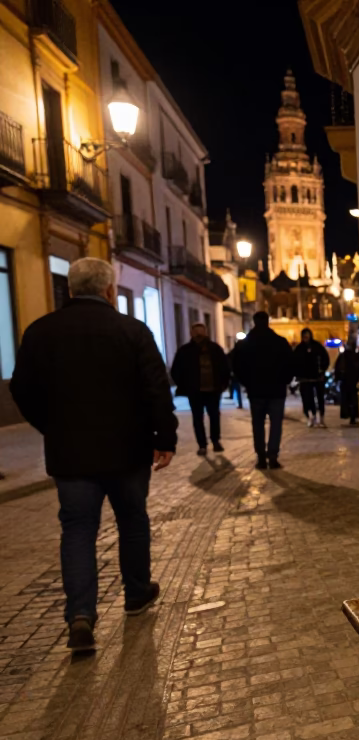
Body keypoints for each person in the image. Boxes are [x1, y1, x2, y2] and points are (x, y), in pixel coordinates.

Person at [9, 258, 172, 652]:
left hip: (72, 454)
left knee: (78, 531)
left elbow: (22, 389)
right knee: (132, 521)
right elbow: (156, 389)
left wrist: (52, 426)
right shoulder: (131, 331)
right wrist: (163, 438)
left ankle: (81, 615)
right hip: (128, 451)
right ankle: (136, 593)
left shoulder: (41, 332)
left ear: (70, 289)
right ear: (109, 290)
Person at [231, 311, 294, 469]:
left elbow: (236, 365)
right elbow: (290, 364)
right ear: (268, 321)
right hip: (276, 390)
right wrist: (284, 381)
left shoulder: (245, 344)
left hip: (256, 390)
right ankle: (272, 455)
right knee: (276, 424)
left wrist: (247, 383)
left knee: (257, 424)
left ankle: (261, 456)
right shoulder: (279, 342)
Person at [170, 322, 230, 455]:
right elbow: (176, 370)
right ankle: (202, 444)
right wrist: (185, 385)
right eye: (196, 332)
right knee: (198, 418)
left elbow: (225, 367)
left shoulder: (215, 349)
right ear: (192, 333)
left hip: (213, 390)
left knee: (214, 416)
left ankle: (215, 441)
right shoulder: (185, 351)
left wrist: (222, 384)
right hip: (195, 390)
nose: (198, 335)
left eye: (200, 332)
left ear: (205, 333)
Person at [293, 327, 330, 428]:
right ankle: (311, 416)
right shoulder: (299, 349)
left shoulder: (317, 346)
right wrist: (298, 373)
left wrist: (322, 370)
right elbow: (294, 362)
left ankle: (321, 417)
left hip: (317, 377)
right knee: (307, 398)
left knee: (320, 397)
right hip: (304, 378)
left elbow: (325, 358)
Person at [334, 338, 359, 425]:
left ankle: (352, 416)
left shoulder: (345, 356)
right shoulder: (355, 356)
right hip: (353, 381)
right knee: (353, 400)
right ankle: (353, 415)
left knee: (350, 400)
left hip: (348, 381)